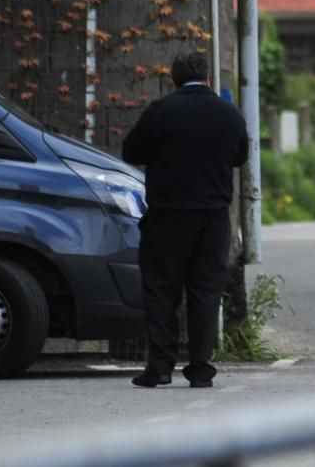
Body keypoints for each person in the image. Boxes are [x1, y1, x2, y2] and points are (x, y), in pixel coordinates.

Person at [122, 51, 249, 388]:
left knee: (162, 290)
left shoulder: (161, 112)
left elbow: (131, 152)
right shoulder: (228, 114)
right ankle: (201, 369)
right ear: (207, 78)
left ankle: (160, 367)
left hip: (168, 215)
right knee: (205, 291)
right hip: (213, 219)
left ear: (173, 78)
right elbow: (240, 156)